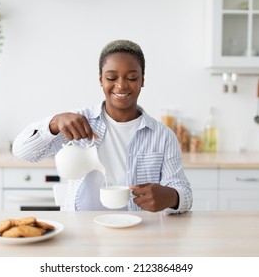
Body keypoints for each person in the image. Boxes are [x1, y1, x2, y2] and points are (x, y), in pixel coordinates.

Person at [12, 39, 192, 214]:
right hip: (81, 232)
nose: (121, 85)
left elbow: (184, 193)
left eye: (131, 77)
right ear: (101, 80)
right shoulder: (78, 122)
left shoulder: (162, 135)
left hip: (138, 233)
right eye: (111, 77)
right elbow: (22, 152)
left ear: (142, 80)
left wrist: (171, 197)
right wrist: (53, 123)